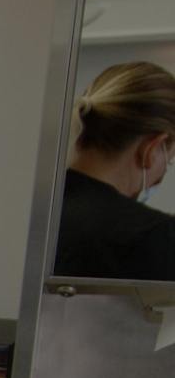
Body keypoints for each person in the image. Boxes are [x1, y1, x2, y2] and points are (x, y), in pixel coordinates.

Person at [54, 61, 175, 281]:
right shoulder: (154, 235)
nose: (161, 177)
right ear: (152, 148)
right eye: (169, 160)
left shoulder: (33, 210)